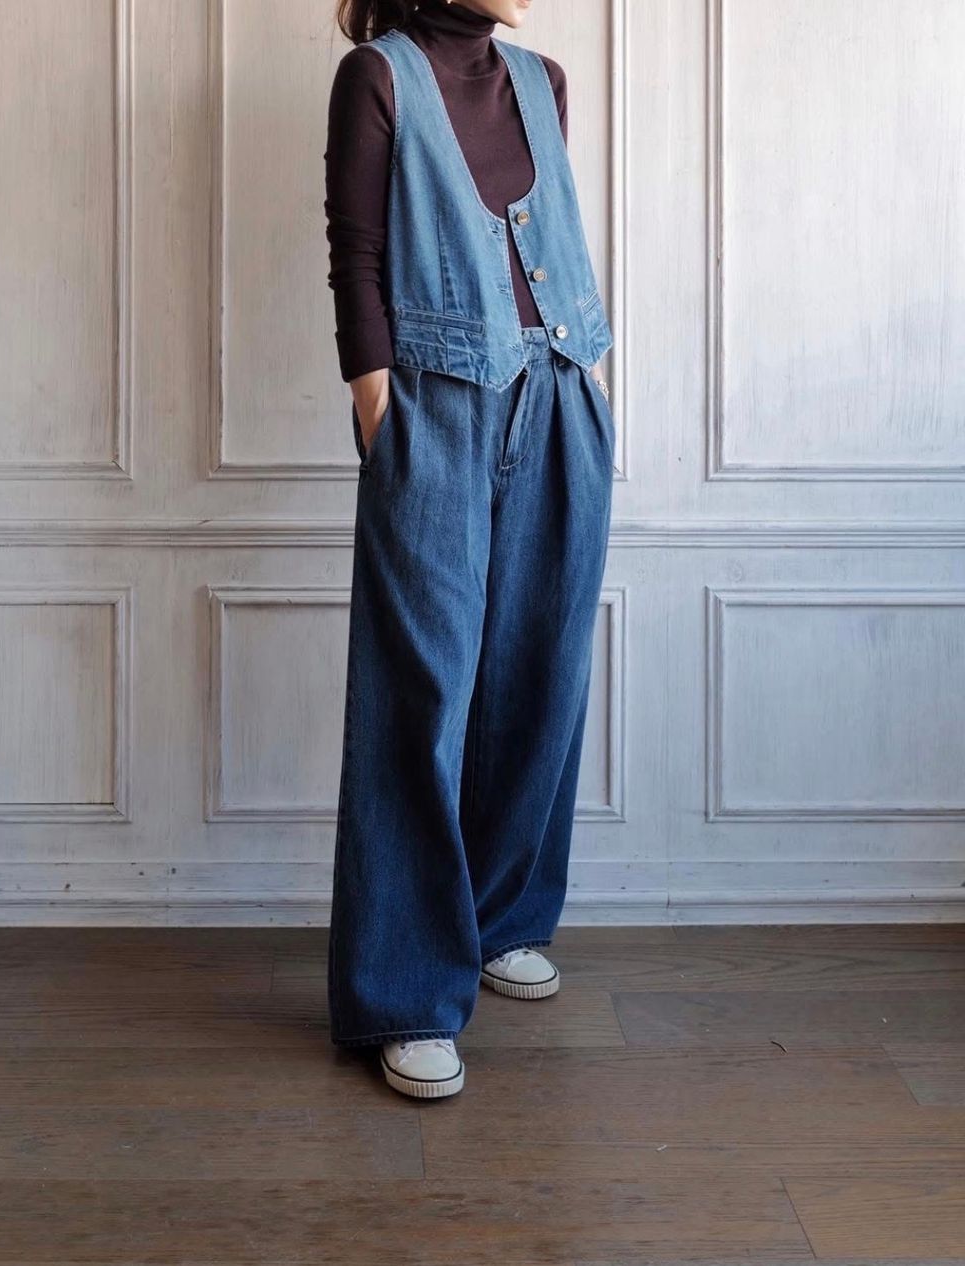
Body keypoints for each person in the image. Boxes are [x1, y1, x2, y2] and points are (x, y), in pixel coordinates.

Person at [323, 0, 614, 1099]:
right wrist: (378, 409)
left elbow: (548, 241)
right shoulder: (378, 78)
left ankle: (502, 918)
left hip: (560, 390)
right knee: (422, 694)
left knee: (541, 672)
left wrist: (590, 385)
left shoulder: (543, 81)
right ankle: (405, 990)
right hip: (434, 409)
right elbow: (357, 255)